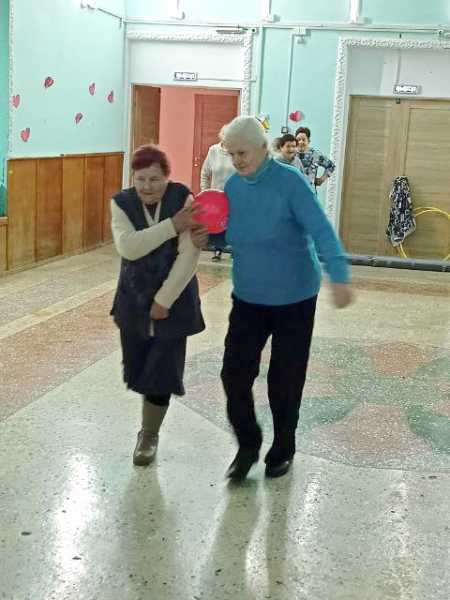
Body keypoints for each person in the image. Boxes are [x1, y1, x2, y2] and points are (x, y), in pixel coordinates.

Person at [220, 116, 352, 481]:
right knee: (234, 374)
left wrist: (338, 274)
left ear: (264, 148)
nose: (237, 161)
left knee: (285, 379)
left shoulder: (290, 182)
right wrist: (206, 234)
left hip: (294, 297)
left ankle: (283, 448)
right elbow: (229, 233)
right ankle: (248, 444)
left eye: (243, 153)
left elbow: (321, 229)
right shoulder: (233, 186)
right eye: (232, 154)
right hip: (248, 297)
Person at [110, 144, 208, 466]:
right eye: (140, 179)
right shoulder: (121, 203)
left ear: (167, 177)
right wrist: (172, 226)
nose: (147, 186)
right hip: (133, 300)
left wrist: (164, 300)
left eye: (154, 179)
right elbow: (129, 247)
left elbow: (189, 254)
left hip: (175, 301)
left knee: (162, 371)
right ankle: (147, 426)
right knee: (138, 369)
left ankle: (149, 435)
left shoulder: (183, 199)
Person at [200, 131, 235, 261]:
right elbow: (205, 173)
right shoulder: (213, 151)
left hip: (234, 196)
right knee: (217, 225)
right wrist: (205, 193)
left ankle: (236, 250)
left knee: (235, 224)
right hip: (216, 198)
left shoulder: (237, 152)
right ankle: (217, 250)